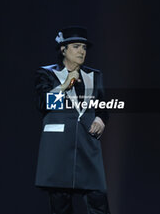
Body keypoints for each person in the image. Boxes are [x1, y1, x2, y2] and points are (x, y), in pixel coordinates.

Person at [34, 26, 111, 214]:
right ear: (63, 49)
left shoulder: (94, 75)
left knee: (98, 202)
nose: (81, 51)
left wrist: (101, 119)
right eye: (76, 47)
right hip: (59, 149)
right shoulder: (48, 74)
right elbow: (44, 104)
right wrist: (67, 84)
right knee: (61, 206)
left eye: (84, 48)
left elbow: (103, 105)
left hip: (87, 145)